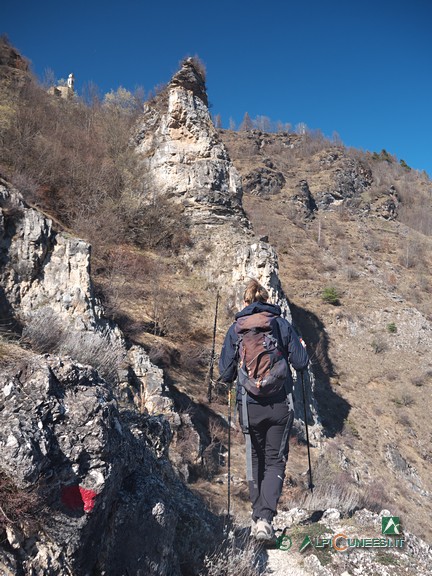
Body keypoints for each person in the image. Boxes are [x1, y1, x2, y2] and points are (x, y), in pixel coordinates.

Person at [219, 279, 309, 541]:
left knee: (254, 459)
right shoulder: (280, 324)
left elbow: (225, 375)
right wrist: (299, 346)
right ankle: (265, 520)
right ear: (267, 299)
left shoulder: (236, 330)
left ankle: (258, 516)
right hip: (280, 404)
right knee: (275, 459)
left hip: (249, 406)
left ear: (245, 302)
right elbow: (301, 363)